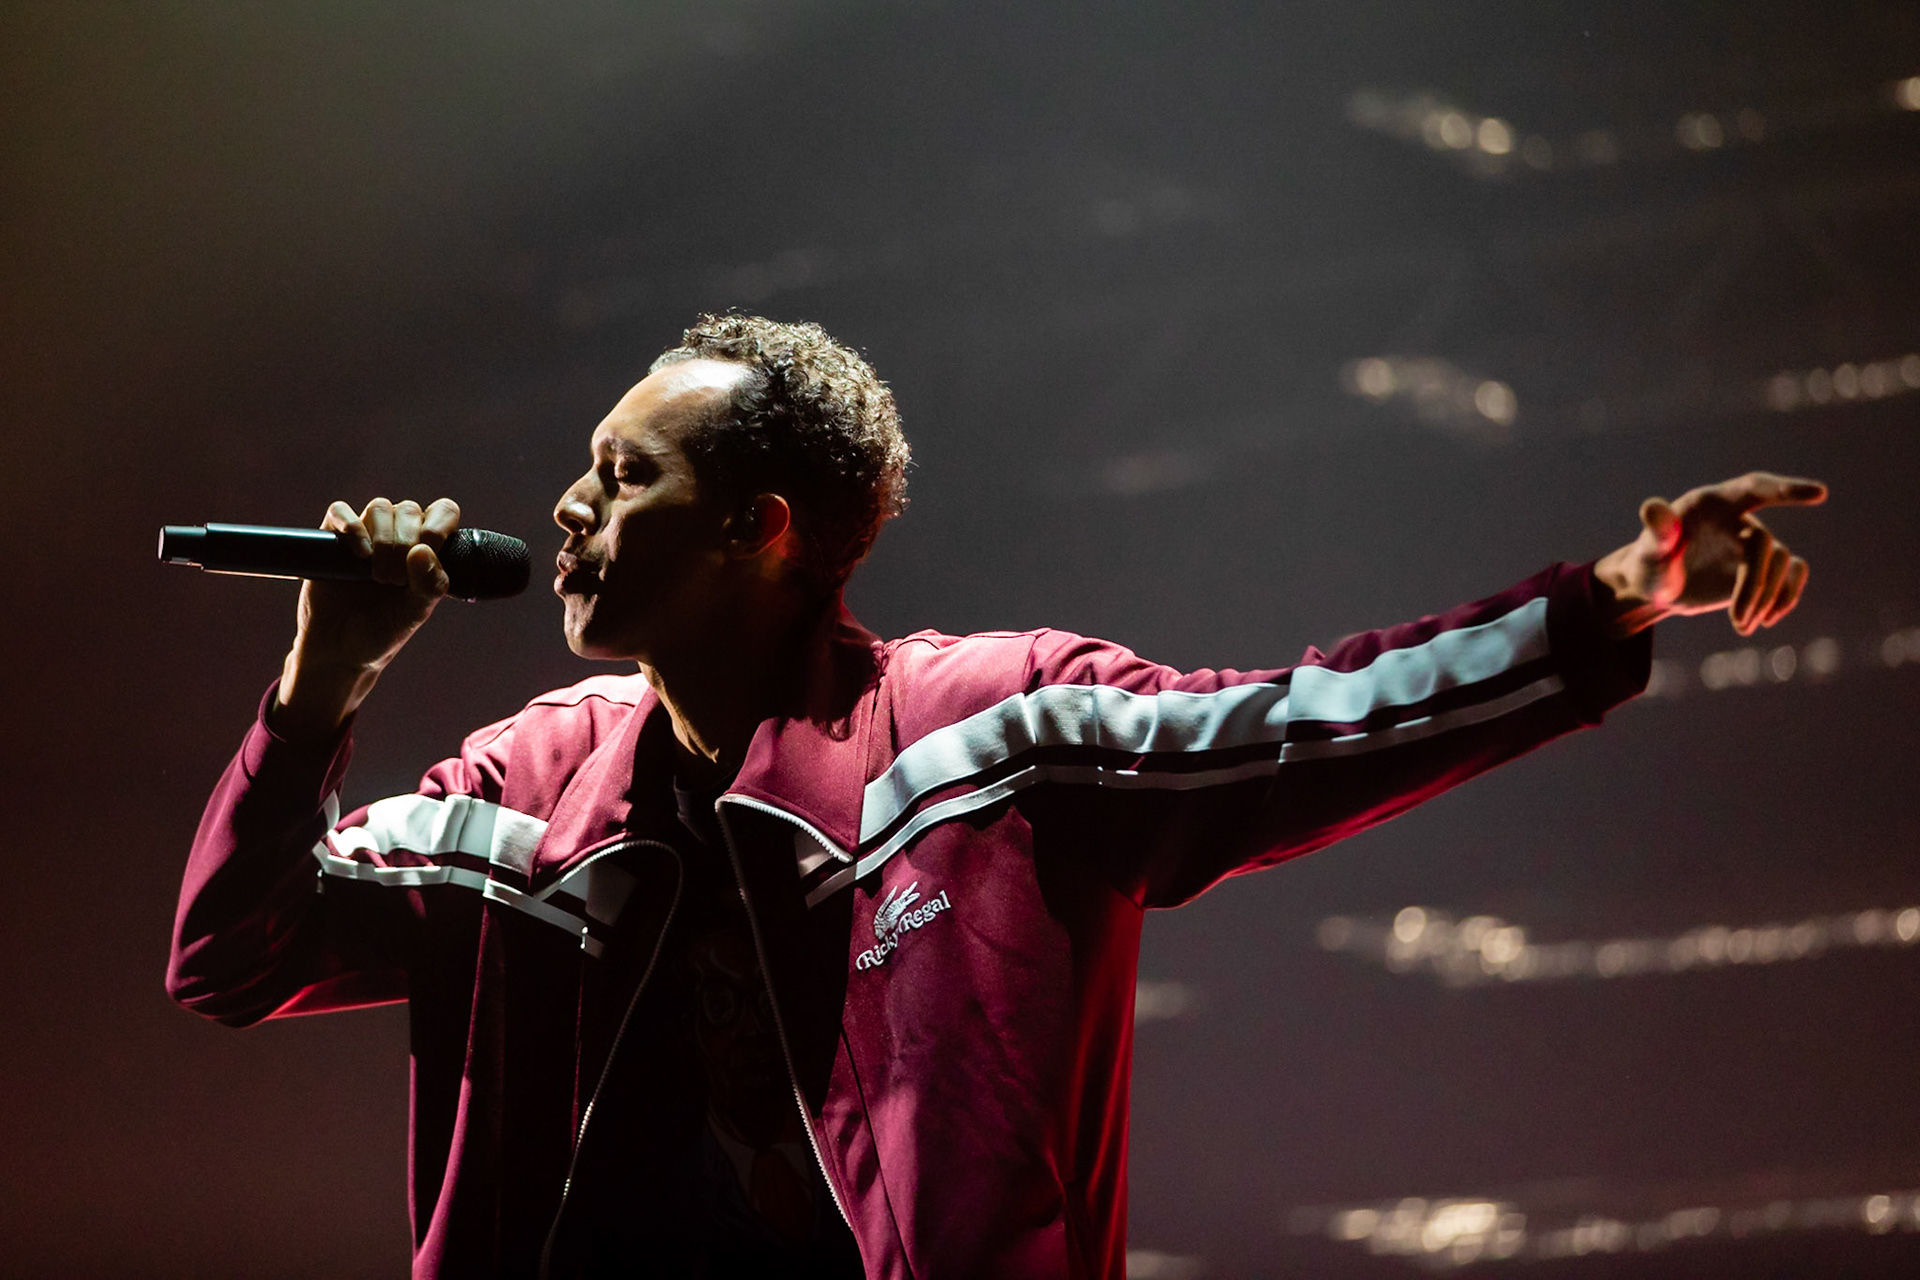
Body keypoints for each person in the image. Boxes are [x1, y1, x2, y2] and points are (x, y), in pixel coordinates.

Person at [167, 314, 1824, 1279]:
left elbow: (1308, 721)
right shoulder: (527, 792)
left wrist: (1608, 601)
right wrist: (322, 684)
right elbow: (229, 958)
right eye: (586, 465)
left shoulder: (985, 734)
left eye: (627, 475)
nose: (570, 503)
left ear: (762, 528)